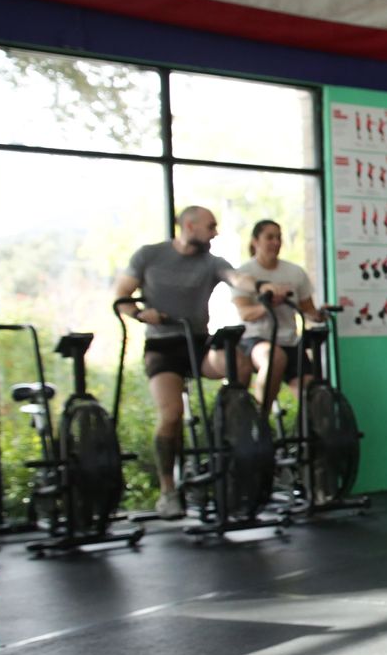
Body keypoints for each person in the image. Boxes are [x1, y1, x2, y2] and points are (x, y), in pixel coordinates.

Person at [113, 206, 285, 518]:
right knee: (172, 414)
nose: (215, 232)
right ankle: (168, 491)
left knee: (240, 364)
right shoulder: (149, 255)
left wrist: (261, 287)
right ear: (189, 226)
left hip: (198, 343)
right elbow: (122, 295)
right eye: (211, 226)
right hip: (163, 345)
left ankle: (231, 426)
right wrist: (140, 314)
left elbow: (237, 277)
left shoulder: (211, 262)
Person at [234, 219, 323, 414]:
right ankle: (260, 419)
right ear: (255, 241)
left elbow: (309, 309)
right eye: (270, 237)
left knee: (313, 393)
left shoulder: (295, 272)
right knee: (275, 358)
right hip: (256, 340)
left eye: (279, 237)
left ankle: (306, 436)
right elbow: (245, 313)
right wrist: (268, 305)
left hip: (290, 340)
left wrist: (320, 314)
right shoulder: (245, 274)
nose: (276, 242)